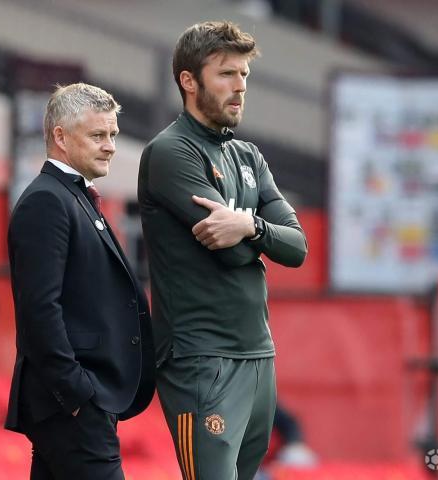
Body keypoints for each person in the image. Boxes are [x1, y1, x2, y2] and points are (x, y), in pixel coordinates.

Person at [138, 21, 308, 480]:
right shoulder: (171, 151)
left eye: (244, 75)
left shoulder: (248, 156)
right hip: (201, 360)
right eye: (226, 74)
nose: (240, 86)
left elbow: (297, 247)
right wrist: (263, 236)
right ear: (189, 81)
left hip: (258, 355)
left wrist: (247, 225)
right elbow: (230, 253)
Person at [5, 83, 155, 480]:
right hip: (72, 404)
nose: (110, 147)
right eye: (98, 135)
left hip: (76, 403)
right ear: (61, 137)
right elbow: (39, 310)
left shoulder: (72, 197)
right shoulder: (47, 201)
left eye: (113, 135)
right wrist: (76, 393)